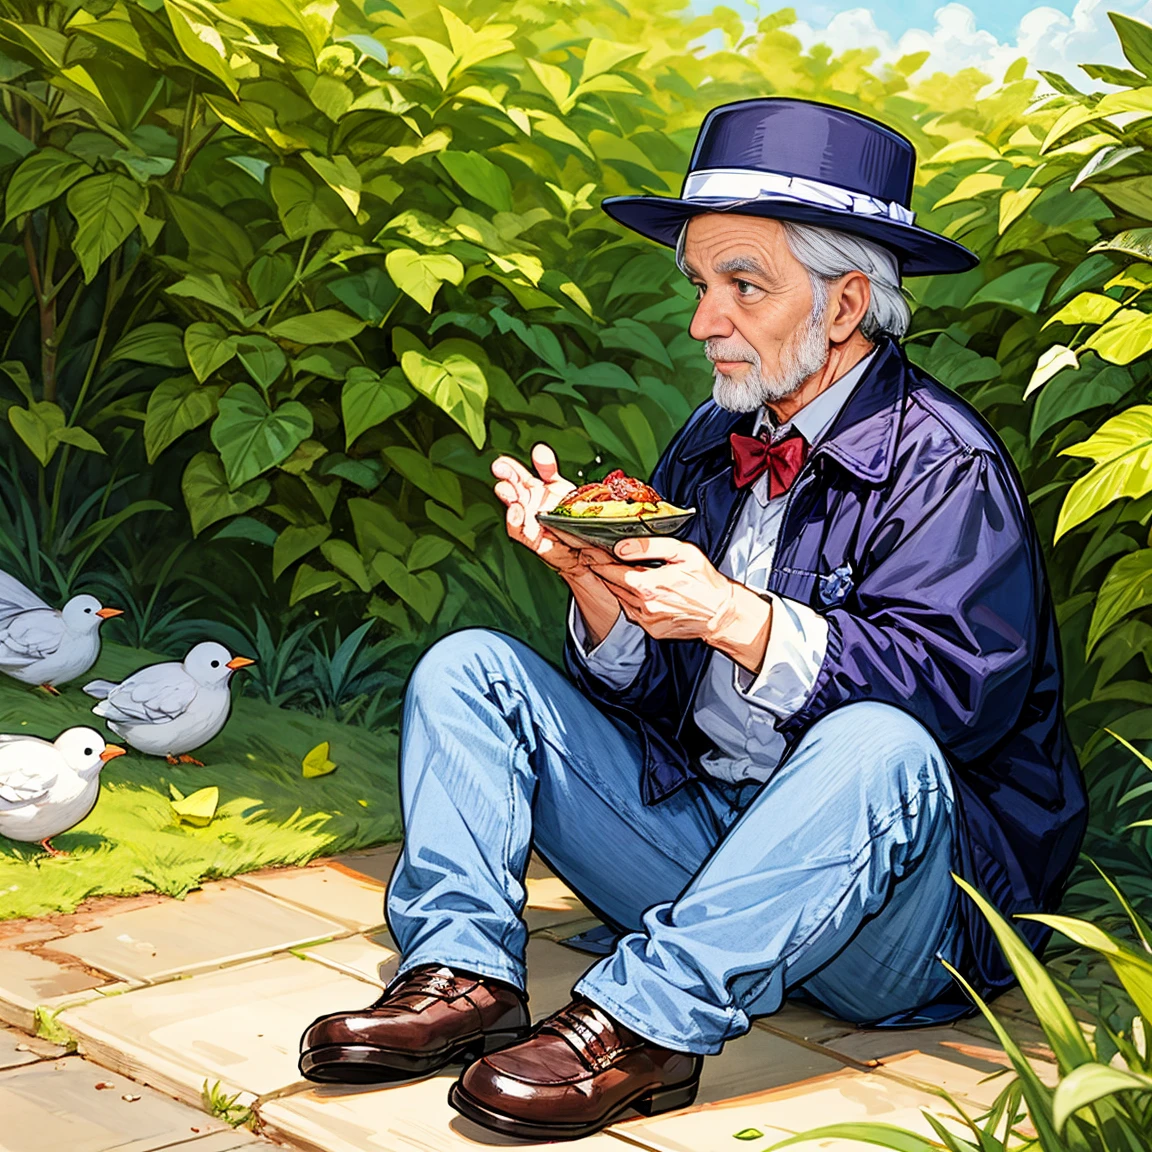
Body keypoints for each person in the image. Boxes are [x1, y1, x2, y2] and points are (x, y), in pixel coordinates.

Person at [298, 97, 1088, 1141]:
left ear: (846, 305)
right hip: (710, 847)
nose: (702, 321)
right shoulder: (712, 443)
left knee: (876, 742)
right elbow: (662, 701)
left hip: (894, 920)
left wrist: (739, 618)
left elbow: (959, 709)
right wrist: (601, 593)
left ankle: (643, 1025)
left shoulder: (946, 466)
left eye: (741, 285)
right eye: (701, 285)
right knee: (469, 667)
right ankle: (463, 978)